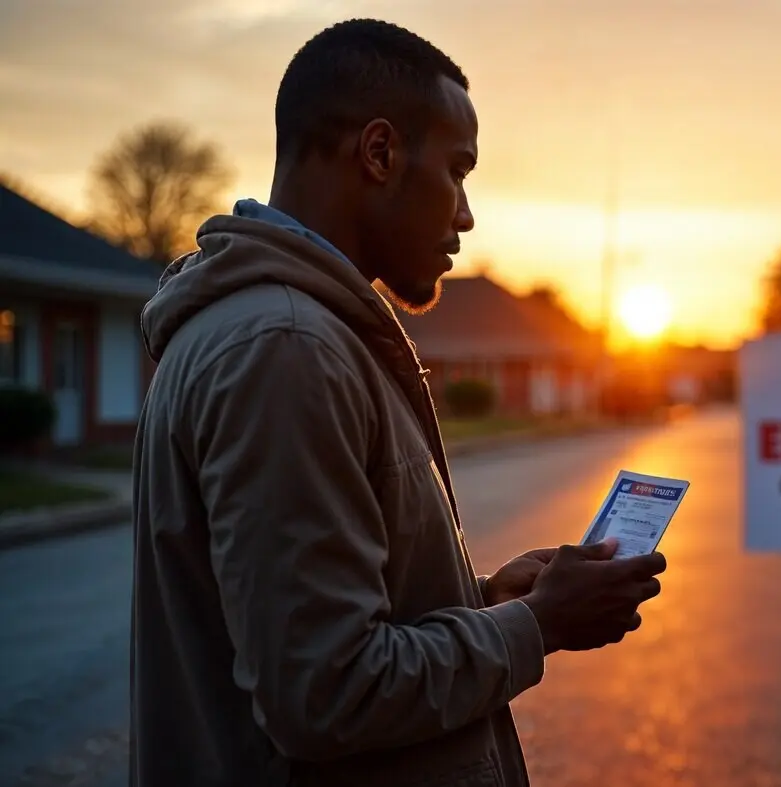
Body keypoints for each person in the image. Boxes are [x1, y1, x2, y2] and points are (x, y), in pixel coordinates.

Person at [130, 18, 667, 787]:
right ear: (379, 153)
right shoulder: (287, 349)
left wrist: (485, 602)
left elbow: (318, 628)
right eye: (457, 170)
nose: (466, 214)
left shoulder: (300, 335)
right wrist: (537, 624)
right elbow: (326, 692)